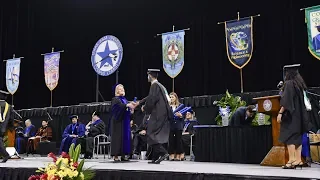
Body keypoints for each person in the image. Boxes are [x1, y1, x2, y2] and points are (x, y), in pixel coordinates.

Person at [277, 64, 314, 169]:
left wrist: (280, 113)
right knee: (297, 136)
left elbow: (286, 101)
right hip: (300, 115)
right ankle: (298, 160)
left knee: (289, 136)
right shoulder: (300, 84)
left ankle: (291, 160)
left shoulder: (289, 83)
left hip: (291, 115)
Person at [140, 69, 173, 164]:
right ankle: (155, 158)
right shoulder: (161, 86)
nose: (147, 77)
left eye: (148, 75)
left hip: (158, 114)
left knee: (150, 134)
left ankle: (163, 153)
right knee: (155, 135)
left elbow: (151, 100)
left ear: (150, 75)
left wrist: (145, 108)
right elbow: (150, 97)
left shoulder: (154, 85)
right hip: (163, 114)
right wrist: (140, 102)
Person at [110, 84, 137, 162]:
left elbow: (126, 109)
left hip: (125, 121)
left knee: (125, 138)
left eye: (122, 89)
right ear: (117, 91)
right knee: (118, 138)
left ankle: (124, 155)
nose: (122, 90)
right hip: (118, 122)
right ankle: (116, 156)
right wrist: (127, 105)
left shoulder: (125, 99)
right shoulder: (115, 99)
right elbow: (118, 108)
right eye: (120, 89)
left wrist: (131, 110)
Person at [168, 92, 185, 161]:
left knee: (178, 140)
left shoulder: (180, 106)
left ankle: (178, 154)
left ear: (176, 98)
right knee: (171, 140)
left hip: (178, 125)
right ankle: (171, 154)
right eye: (170, 97)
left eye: (172, 97)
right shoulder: (168, 106)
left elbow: (184, 115)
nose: (171, 98)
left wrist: (181, 116)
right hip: (171, 125)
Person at [0, 90, 13, 163]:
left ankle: (5, 155)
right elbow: (11, 118)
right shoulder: (9, 106)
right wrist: (11, 127)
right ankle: (5, 155)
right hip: (3, 128)